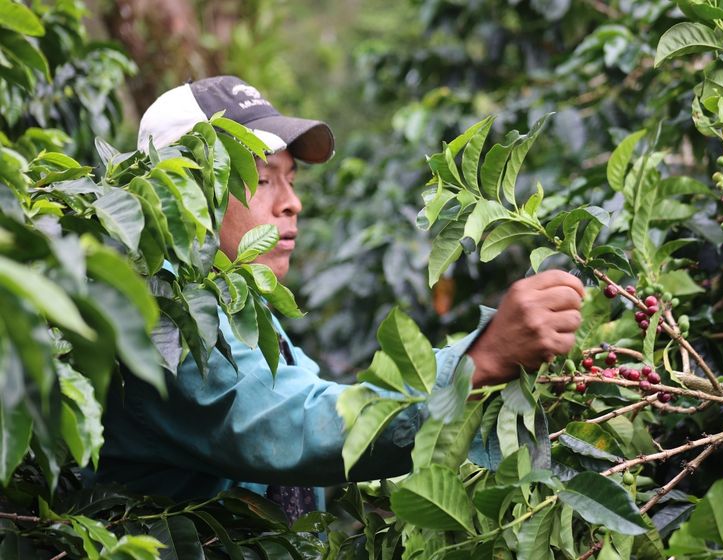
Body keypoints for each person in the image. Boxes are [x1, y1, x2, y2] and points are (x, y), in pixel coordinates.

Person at [97, 76, 584, 520]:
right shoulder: (161, 313)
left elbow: (322, 399)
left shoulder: (232, 302)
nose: (292, 202)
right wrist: (483, 358)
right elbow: (304, 425)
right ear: (179, 194)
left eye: (290, 178)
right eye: (263, 178)